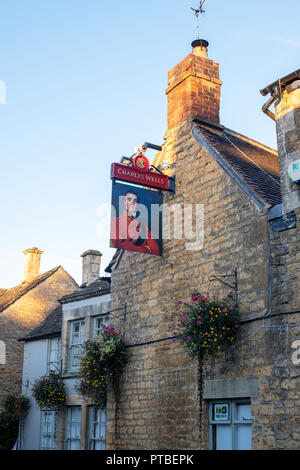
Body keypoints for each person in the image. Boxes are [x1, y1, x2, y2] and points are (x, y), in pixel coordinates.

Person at [110, 189, 160, 256]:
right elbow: (120, 244)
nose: (132, 203)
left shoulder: (143, 226)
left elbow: (156, 249)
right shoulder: (115, 222)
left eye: (135, 201)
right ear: (125, 202)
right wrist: (145, 248)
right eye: (129, 199)